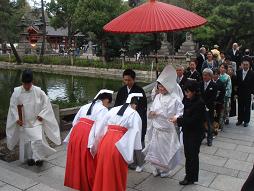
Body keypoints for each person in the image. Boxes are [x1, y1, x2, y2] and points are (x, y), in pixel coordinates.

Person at [6, 69, 61, 166]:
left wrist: (42, 115)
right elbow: (13, 106)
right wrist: (17, 119)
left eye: (29, 84)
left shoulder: (38, 91)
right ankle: (30, 158)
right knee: (27, 141)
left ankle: (39, 159)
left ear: (32, 82)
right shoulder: (16, 92)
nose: (27, 86)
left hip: (36, 120)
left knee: (38, 139)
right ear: (22, 82)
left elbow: (46, 104)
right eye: (25, 84)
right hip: (24, 120)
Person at [91, 93, 143, 191]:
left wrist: (95, 145)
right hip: (119, 145)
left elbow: (100, 129)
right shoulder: (134, 113)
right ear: (134, 105)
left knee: (103, 171)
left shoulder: (113, 110)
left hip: (105, 142)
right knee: (117, 174)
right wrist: (137, 154)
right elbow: (136, 136)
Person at [64, 89, 113, 191]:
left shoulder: (85, 106)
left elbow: (75, 122)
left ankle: (79, 182)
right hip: (88, 134)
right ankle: (90, 186)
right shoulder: (103, 109)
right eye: (109, 104)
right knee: (89, 161)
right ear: (107, 100)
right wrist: (97, 146)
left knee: (78, 159)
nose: (108, 106)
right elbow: (100, 129)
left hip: (77, 133)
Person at [144, 65, 184, 178]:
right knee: (155, 150)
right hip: (157, 128)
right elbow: (152, 109)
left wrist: (176, 117)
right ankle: (156, 168)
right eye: (159, 86)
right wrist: (151, 113)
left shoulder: (175, 98)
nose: (161, 89)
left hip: (167, 129)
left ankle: (165, 170)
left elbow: (180, 112)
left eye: (163, 87)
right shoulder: (157, 97)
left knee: (166, 151)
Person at [171, 80, 205, 185]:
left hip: (195, 133)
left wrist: (178, 121)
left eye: (188, 91)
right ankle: (189, 176)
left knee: (192, 156)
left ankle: (191, 177)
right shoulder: (187, 99)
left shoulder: (199, 103)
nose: (186, 94)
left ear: (194, 91)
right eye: (185, 91)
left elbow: (193, 120)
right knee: (188, 154)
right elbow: (183, 112)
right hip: (187, 131)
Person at [114, 69, 147, 171]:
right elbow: (117, 106)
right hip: (125, 121)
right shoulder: (122, 90)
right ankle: (129, 161)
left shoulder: (139, 91)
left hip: (137, 120)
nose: (127, 82)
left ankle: (140, 163)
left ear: (134, 79)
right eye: (125, 80)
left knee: (138, 140)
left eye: (129, 80)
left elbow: (144, 106)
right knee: (127, 141)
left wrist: (135, 108)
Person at [200, 68, 217, 146]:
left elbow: (213, 98)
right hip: (200, 107)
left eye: (206, 75)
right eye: (203, 75)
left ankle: (209, 138)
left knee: (209, 124)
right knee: (201, 122)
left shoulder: (214, 85)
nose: (204, 77)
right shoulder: (200, 83)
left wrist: (205, 104)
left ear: (210, 76)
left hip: (209, 107)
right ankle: (202, 135)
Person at [236, 58, 254, 127]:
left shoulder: (252, 73)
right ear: (242, 65)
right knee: (240, 106)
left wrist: (252, 93)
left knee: (247, 107)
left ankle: (246, 121)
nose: (245, 66)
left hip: (248, 93)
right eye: (244, 65)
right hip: (240, 92)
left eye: (247, 65)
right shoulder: (239, 72)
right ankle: (240, 120)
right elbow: (237, 83)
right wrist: (236, 93)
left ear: (249, 65)